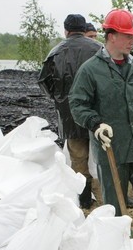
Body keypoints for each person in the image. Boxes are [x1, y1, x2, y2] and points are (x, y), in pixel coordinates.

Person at [69, 8, 133, 235]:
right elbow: (78, 104)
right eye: (128, 35)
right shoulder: (91, 70)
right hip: (112, 147)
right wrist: (95, 124)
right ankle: (120, 241)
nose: (132, 40)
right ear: (112, 36)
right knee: (115, 202)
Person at [38, 14, 101, 209]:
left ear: (66, 30)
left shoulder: (56, 52)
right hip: (97, 113)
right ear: (84, 29)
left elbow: (44, 81)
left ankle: (84, 200)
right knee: (101, 158)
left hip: (70, 115)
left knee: (78, 160)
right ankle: (105, 200)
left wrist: (59, 98)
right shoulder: (98, 49)